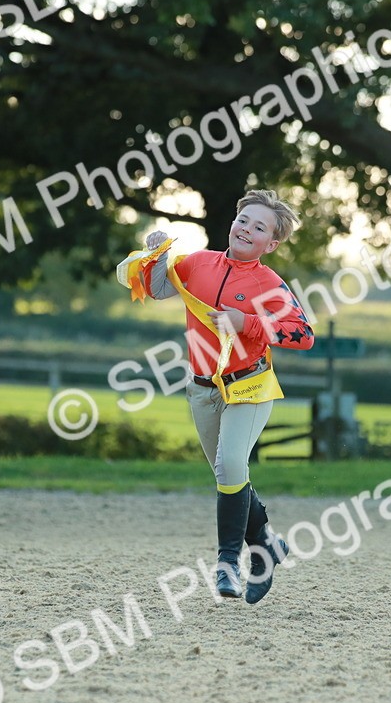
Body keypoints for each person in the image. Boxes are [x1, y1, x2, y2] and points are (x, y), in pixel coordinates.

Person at [119, 189, 315, 604]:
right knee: (230, 474)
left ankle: (227, 563)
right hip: (202, 388)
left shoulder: (269, 284)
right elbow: (156, 290)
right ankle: (267, 545)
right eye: (244, 220)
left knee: (229, 465)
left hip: (250, 386)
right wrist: (155, 253)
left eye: (259, 227)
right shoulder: (199, 263)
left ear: (271, 244)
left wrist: (246, 322)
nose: (247, 229)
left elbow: (303, 334)